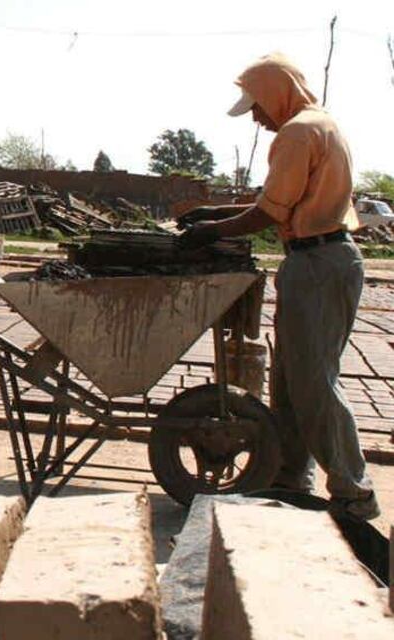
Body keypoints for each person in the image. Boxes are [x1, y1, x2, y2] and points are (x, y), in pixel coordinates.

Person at [179, 53, 378, 520]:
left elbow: (269, 214)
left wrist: (212, 232)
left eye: (257, 108)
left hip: (318, 262)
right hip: (320, 258)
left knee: (314, 382)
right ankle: (291, 477)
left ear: (275, 95)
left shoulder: (296, 132)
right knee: (289, 383)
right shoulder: (319, 124)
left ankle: (354, 491)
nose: (256, 119)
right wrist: (213, 215)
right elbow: (279, 199)